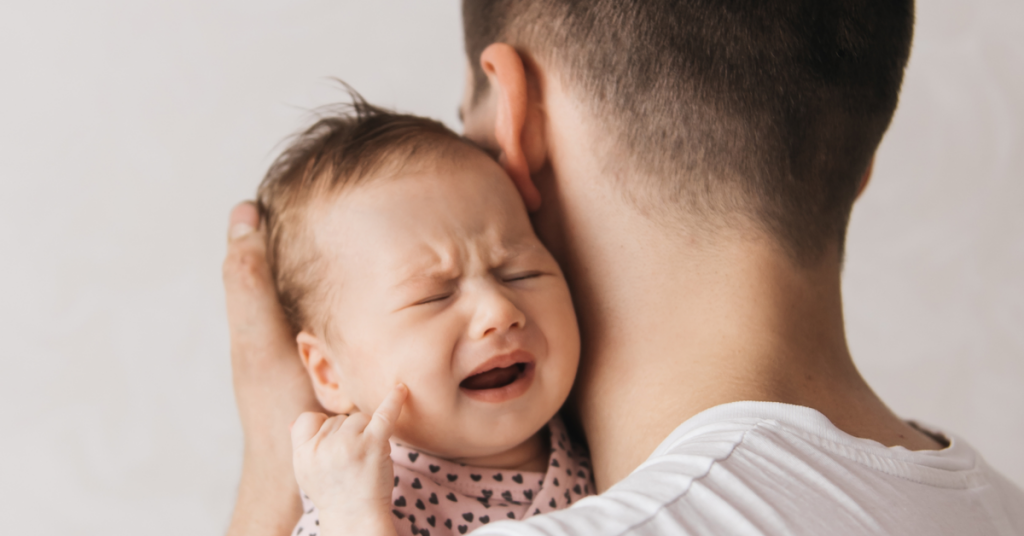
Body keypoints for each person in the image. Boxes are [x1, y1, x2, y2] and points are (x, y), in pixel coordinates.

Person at [223, 1, 1024, 534]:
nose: (493, 313)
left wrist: (271, 482)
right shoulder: (993, 506)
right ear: (856, 164)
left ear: (516, 119)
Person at [256, 97, 593, 536]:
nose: (499, 311)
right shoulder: (357, 496)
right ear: (329, 372)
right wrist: (355, 518)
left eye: (520, 272)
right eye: (434, 296)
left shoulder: (593, 422)